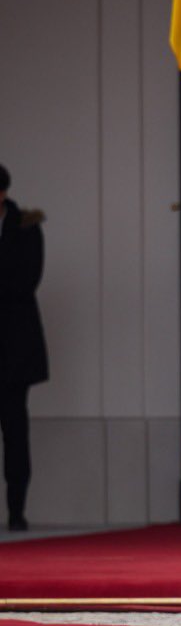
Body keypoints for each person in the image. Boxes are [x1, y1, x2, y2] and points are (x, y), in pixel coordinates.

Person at [0, 163, 47, 532]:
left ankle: (17, 509)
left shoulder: (26, 228)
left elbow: (27, 279)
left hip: (13, 347)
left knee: (15, 430)